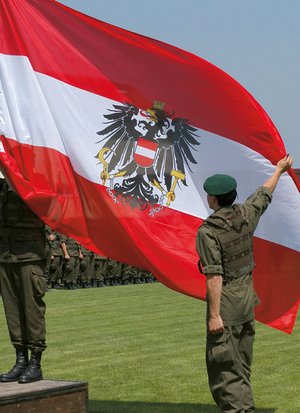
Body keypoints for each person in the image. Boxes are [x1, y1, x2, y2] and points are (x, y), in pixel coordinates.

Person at [196, 155, 293, 413]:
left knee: (225, 374)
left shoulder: (209, 231)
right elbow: (263, 195)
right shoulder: (247, 215)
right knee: (242, 369)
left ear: (213, 199)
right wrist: (279, 170)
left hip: (226, 308)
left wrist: (215, 315)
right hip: (247, 303)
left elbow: (214, 275)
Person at [0, 179, 47, 383]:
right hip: (5, 253)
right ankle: (21, 360)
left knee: (32, 310)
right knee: (12, 311)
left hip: (29, 253)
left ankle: (35, 363)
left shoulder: (32, 179)